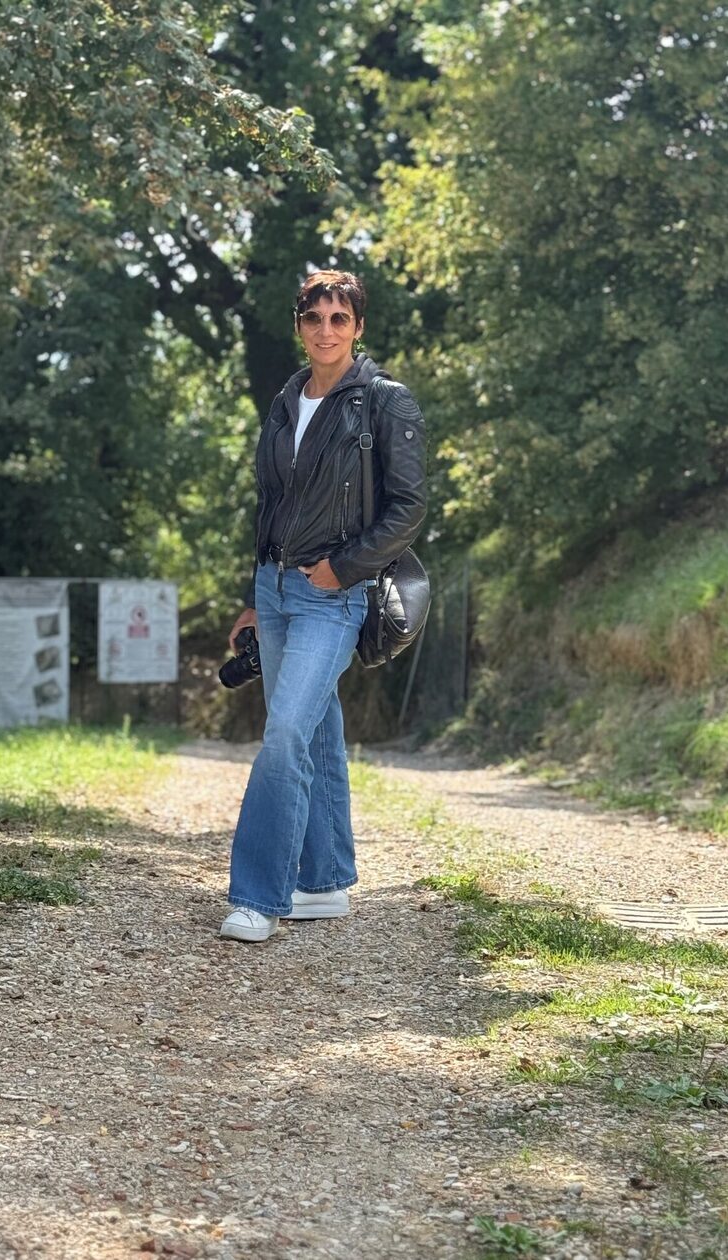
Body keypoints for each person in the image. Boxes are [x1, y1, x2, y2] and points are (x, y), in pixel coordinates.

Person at [221, 269, 427, 942]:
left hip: (331, 595)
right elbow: (271, 504)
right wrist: (253, 596)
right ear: (299, 325)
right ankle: (325, 881)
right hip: (275, 592)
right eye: (315, 318)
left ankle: (257, 896)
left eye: (340, 319)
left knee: (283, 733)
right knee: (313, 729)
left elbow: (408, 507)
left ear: (357, 327)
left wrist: (344, 568)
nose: (326, 330)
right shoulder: (286, 400)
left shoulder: (384, 402)